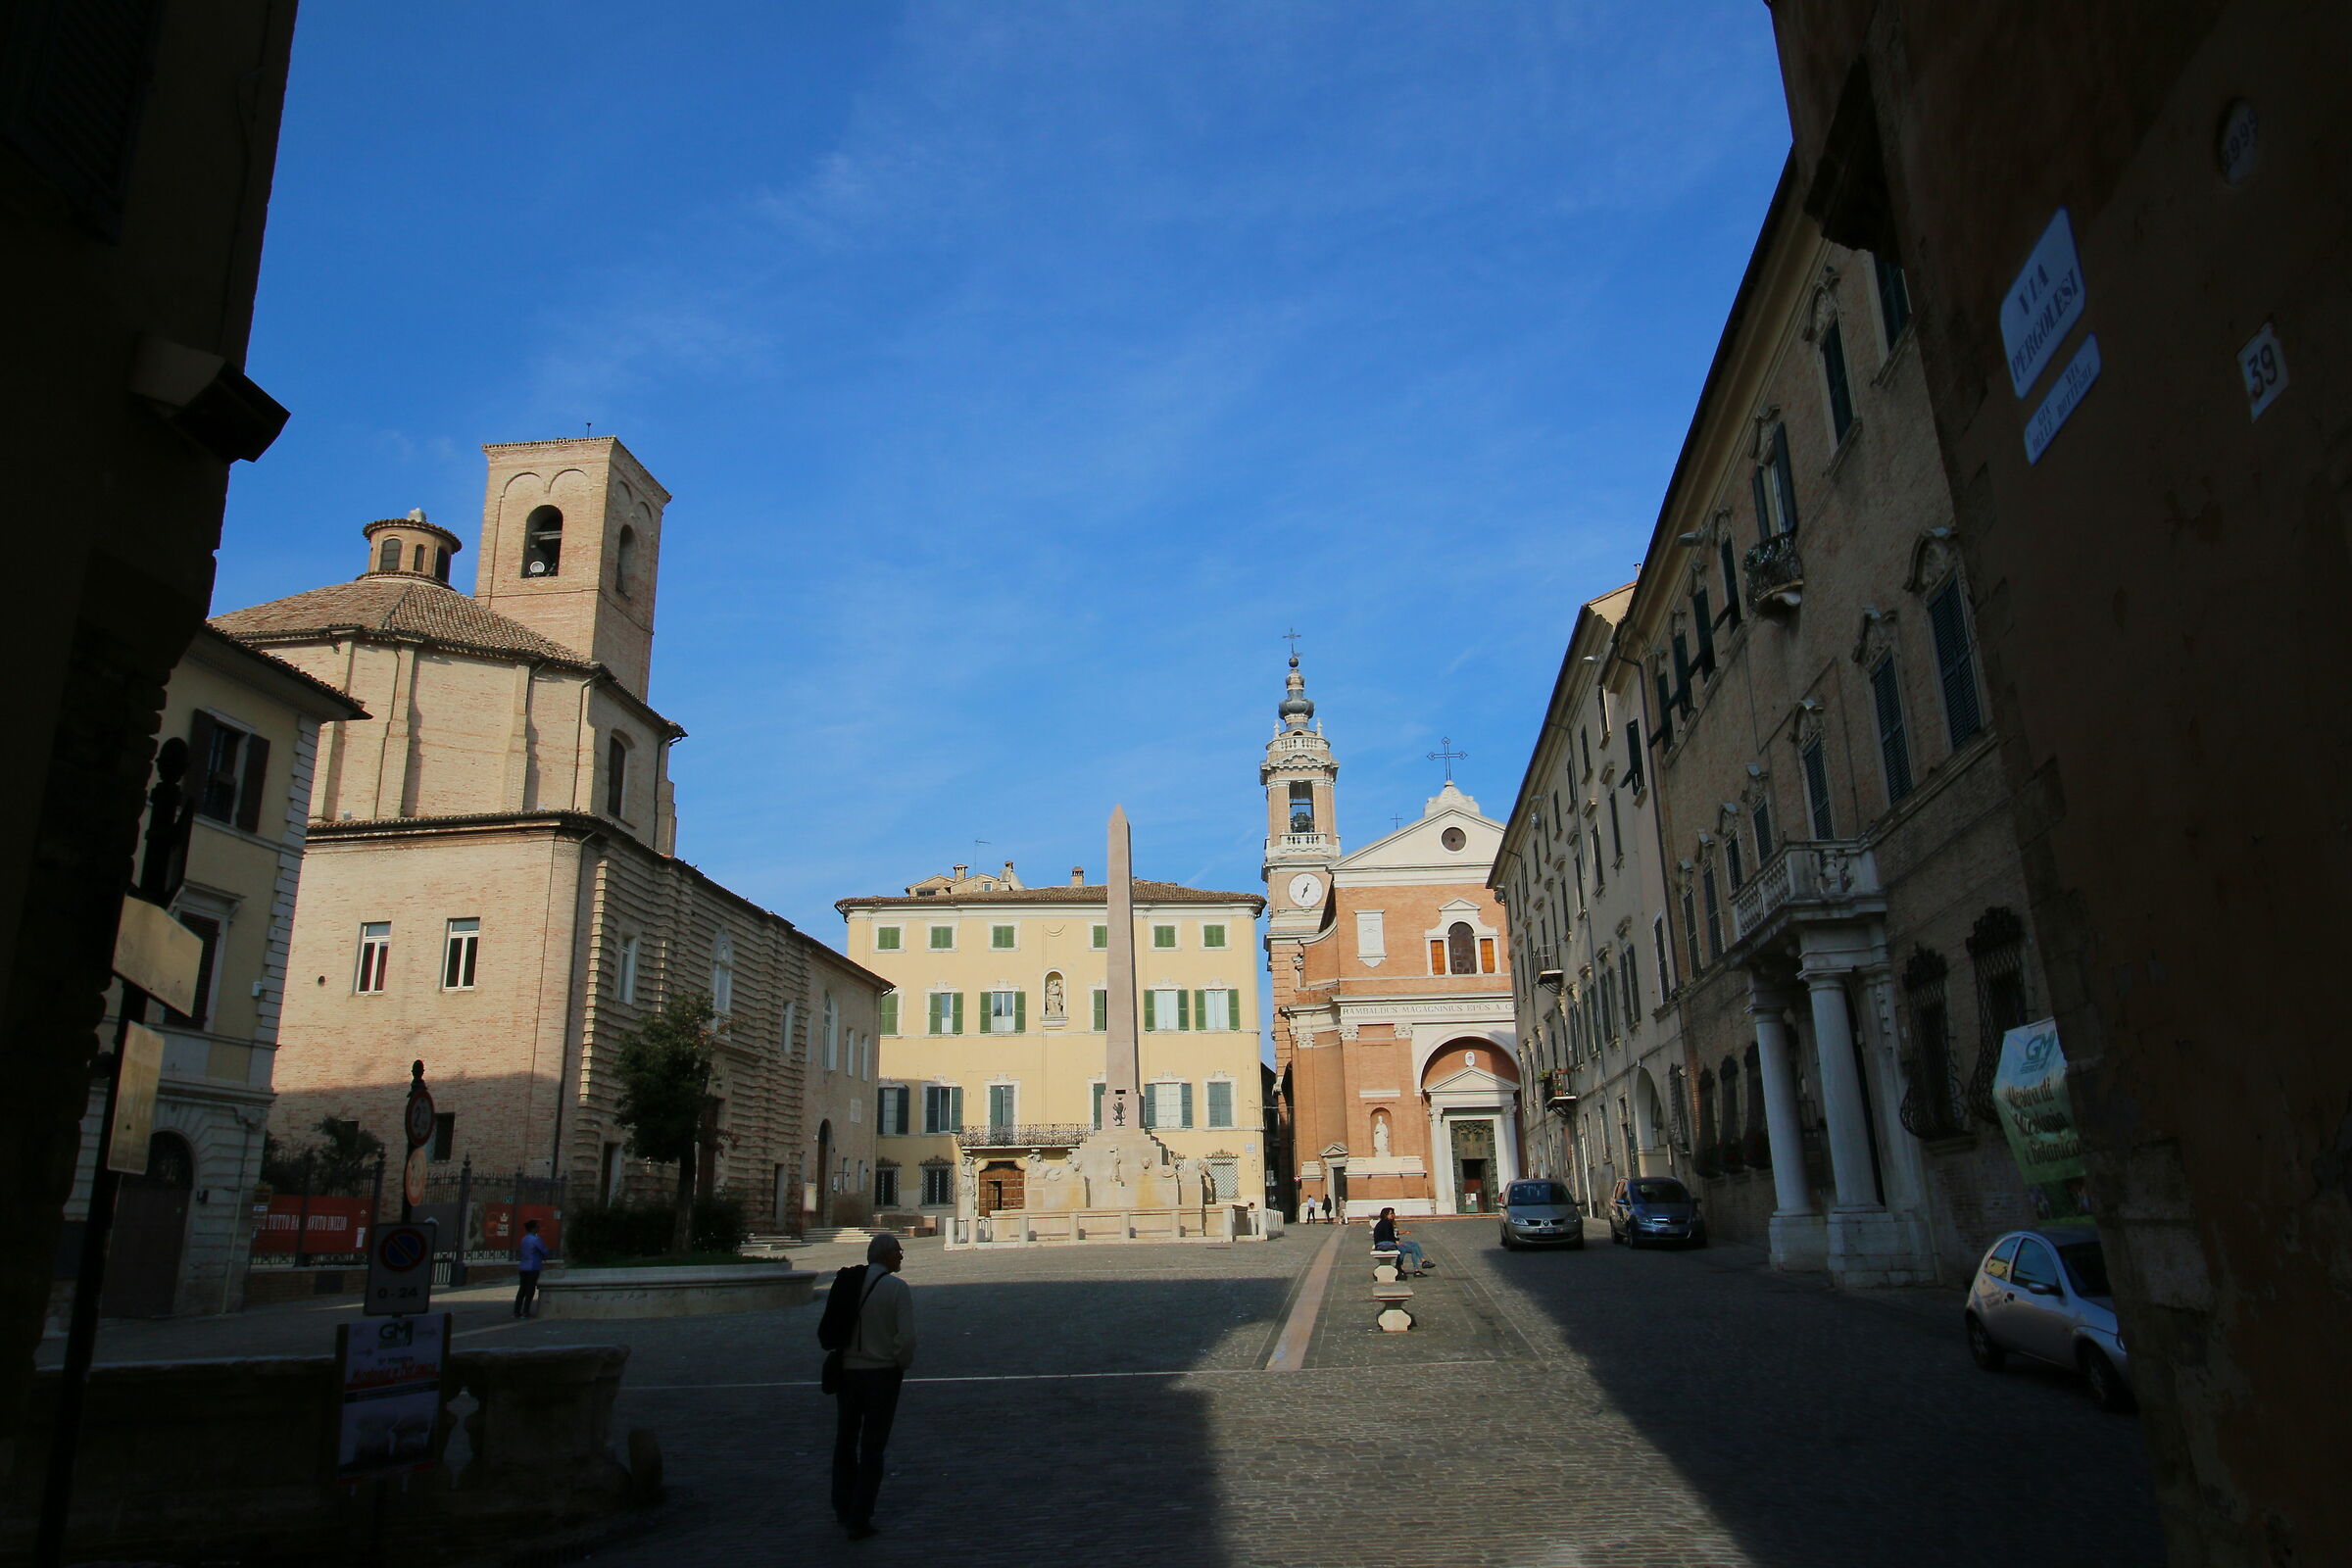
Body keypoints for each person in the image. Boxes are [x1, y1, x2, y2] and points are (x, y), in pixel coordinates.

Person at [833, 1233, 916, 1541]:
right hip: (881, 1375)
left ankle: (841, 1505)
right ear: (886, 1256)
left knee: (845, 1441)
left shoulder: (847, 1283)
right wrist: (900, 1363)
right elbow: (906, 1339)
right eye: (898, 1251)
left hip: (848, 1373)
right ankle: (860, 1515)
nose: (902, 1256)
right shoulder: (897, 1289)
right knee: (872, 1447)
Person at [1371, 1207, 1432, 1274]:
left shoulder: (1386, 1223)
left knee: (1414, 1244)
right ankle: (1407, 1268)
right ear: (1385, 1215)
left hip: (1387, 1243)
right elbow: (1387, 1236)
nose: (1392, 1215)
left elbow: (1390, 1235)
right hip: (1384, 1244)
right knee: (1409, 1249)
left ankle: (1423, 1262)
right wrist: (1397, 1242)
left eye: (1392, 1214)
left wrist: (1398, 1239)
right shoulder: (1386, 1223)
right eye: (1390, 1214)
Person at [514, 1218, 548, 1317]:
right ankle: (525, 1310)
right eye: (537, 1227)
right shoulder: (536, 1239)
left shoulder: (524, 1239)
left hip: (523, 1267)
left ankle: (516, 1310)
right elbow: (544, 1251)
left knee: (522, 1289)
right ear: (533, 1228)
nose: (539, 1228)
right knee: (530, 1290)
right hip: (533, 1267)